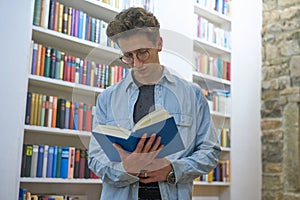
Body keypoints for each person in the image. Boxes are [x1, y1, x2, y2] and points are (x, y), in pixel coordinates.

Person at [88, 7, 221, 200]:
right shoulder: (106, 98)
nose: (137, 64)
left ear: (158, 43)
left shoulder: (192, 95)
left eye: (142, 52)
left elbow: (210, 151)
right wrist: (126, 169)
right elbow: (95, 158)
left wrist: (173, 170)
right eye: (128, 56)